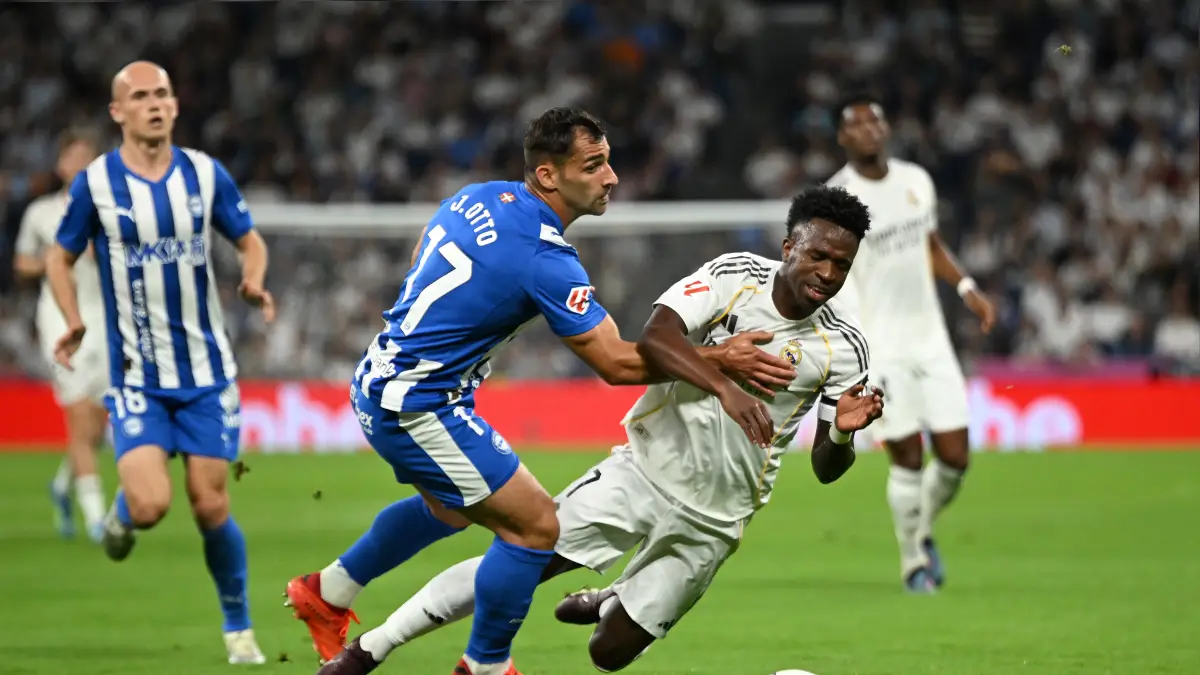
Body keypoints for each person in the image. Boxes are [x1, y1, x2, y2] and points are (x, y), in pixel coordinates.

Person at [283, 107, 797, 675]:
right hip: (418, 405)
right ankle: (486, 666)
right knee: (535, 527)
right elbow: (619, 363)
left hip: (383, 377)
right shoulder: (544, 257)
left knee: (448, 510)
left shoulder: (478, 196)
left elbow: (418, 258)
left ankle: (328, 591)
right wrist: (720, 357)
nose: (611, 177)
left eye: (609, 162)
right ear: (549, 175)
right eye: (594, 165)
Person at [44, 61, 275, 665]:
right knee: (150, 506)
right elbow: (57, 258)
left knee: (211, 505)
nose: (154, 104)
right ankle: (122, 518)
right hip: (138, 375)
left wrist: (252, 281)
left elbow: (249, 238)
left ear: (175, 106)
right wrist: (73, 319)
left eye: (163, 94)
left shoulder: (204, 174)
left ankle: (238, 629)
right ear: (118, 112)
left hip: (207, 373)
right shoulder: (95, 184)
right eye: (139, 96)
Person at [826, 93, 997, 593]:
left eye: (875, 121)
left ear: (886, 128)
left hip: (931, 340)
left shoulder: (915, 180)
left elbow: (929, 243)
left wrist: (966, 288)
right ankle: (912, 564)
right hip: (881, 348)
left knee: (956, 458)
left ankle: (921, 532)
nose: (868, 130)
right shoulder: (839, 200)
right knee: (906, 456)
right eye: (856, 125)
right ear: (843, 138)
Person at [14, 127, 109, 542]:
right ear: (61, 165)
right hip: (58, 321)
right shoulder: (41, 213)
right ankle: (96, 520)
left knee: (99, 424)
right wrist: (58, 258)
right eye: (75, 156)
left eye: (89, 156)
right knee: (79, 418)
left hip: (104, 321)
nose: (82, 163)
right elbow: (21, 264)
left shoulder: (110, 211)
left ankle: (61, 486)